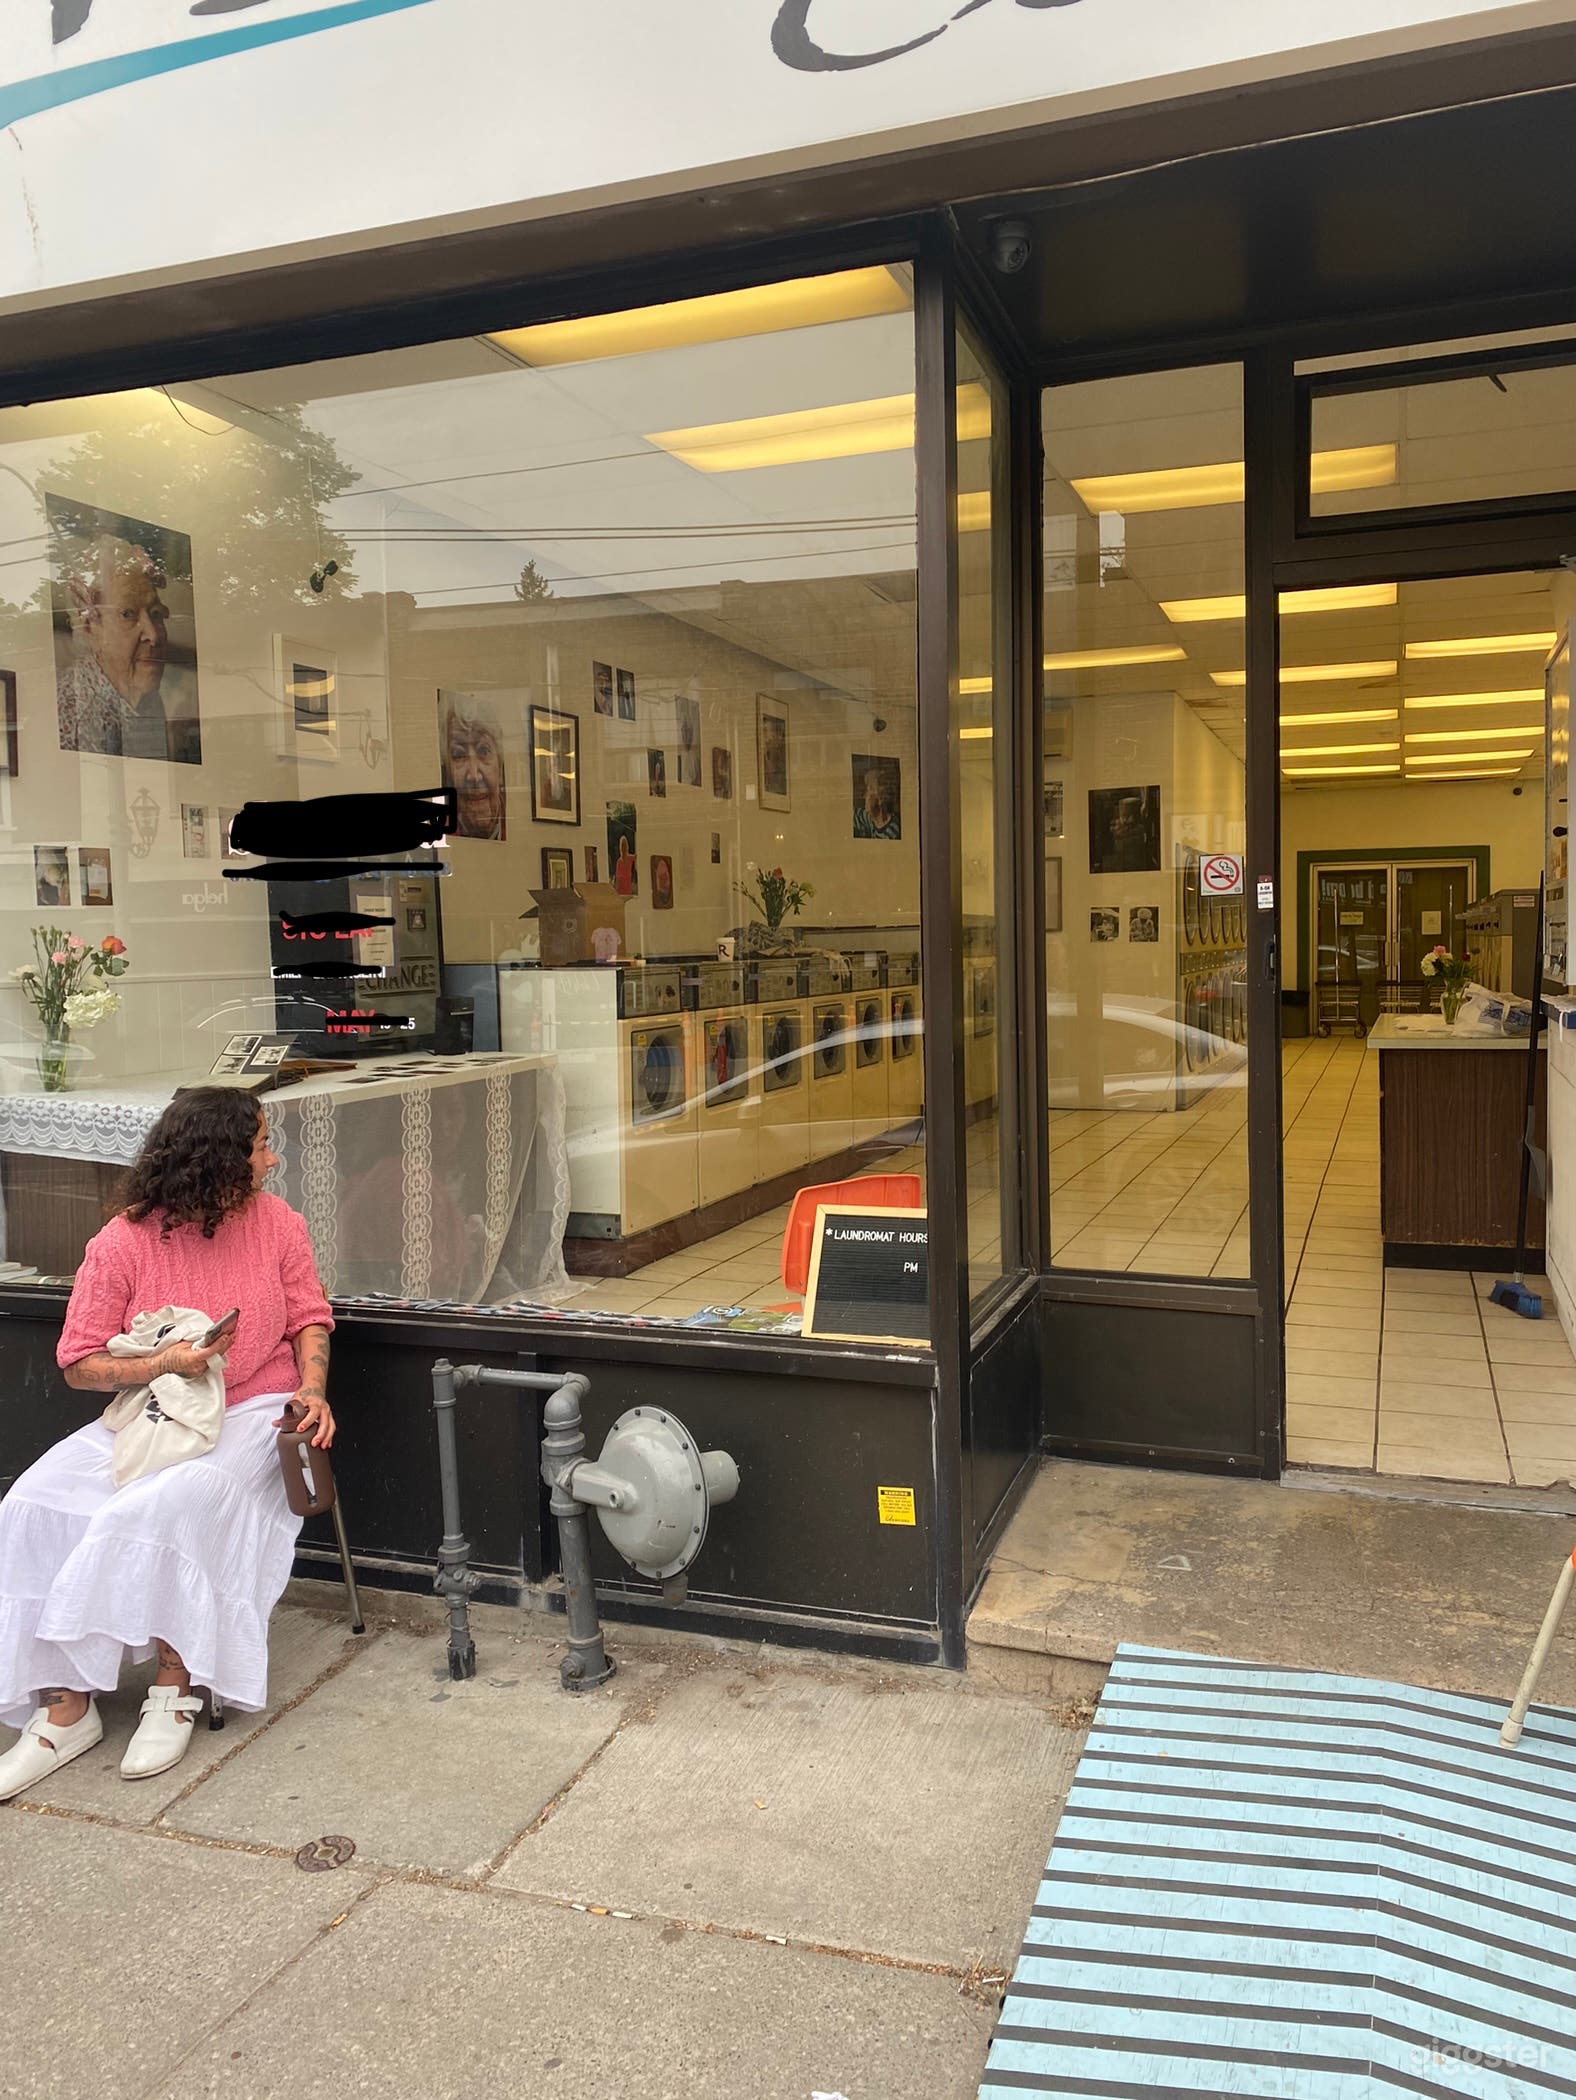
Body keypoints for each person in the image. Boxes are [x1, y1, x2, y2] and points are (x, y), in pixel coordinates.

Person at [0, 1089, 335, 1798]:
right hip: (154, 1408)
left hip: (254, 1410)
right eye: (260, 1145)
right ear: (216, 1161)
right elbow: (78, 1360)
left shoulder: (277, 1223)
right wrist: (165, 1363)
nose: (272, 1158)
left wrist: (312, 1388)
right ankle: (65, 1708)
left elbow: (310, 1316)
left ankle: (175, 1680)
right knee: (30, 1502)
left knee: (167, 1503)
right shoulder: (122, 1240)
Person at [56, 532, 200, 764]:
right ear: (90, 629)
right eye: (128, 614)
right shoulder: (74, 712)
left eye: (156, 614)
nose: (153, 635)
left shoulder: (144, 695)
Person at [441, 695, 506, 839]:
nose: (474, 775)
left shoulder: (521, 824)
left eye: (484, 751)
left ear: (500, 765)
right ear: (448, 773)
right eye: (459, 755)